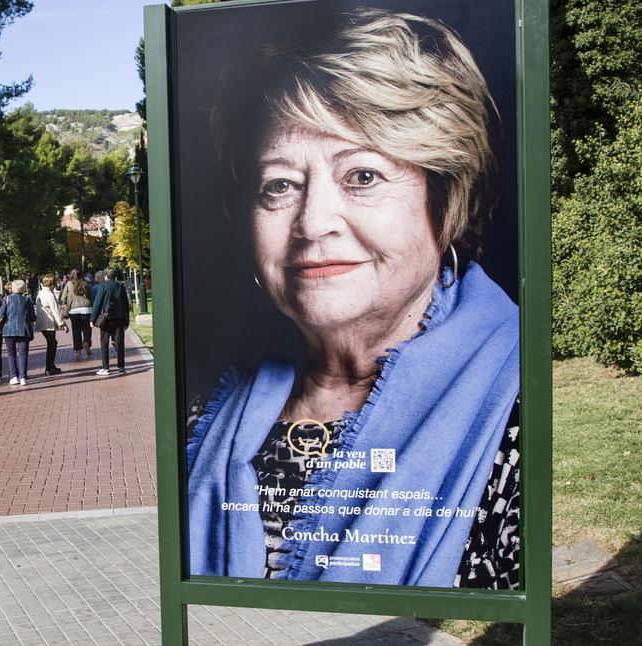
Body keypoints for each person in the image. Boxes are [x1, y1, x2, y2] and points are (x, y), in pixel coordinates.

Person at [186, 9, 519, 590]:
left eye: (362, 176)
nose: (313, 223)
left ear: (445, 196)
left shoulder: (522, 406)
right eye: (279, 185)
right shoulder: (206, 409)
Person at [90, 269, 130, 376]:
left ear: (106, 276)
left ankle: (105, 367)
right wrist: (127, 321)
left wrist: (92, 319)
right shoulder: (120, 287)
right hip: (120, 318)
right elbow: (126, 304)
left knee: (104, 342)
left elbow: (98, 302)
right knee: (120, 342)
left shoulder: (103, 286)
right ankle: (121, 367)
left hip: (107, 318)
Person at [0, 278, 35, 386]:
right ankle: (23, 377)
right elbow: (32, 317)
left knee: (11, 354)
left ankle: (14, 376)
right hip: (23, 329)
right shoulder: (27, 300)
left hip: (9, 329)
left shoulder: (6, 299)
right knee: (23, 354)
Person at [34, 273, 67, 376]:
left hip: (42, 323)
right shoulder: (50, 295)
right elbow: (55, 310)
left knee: (52, 343)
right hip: (49, 324)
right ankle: (50, 367)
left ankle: (51, 366)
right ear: (52, 284)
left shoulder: (40, 294)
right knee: (52, 344)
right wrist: (63, 324)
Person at [60, 270, 93, 358]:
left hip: (73, 309)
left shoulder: (69, 284)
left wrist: (64, 304)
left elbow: (63, 297)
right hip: (86, 308)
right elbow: (91, 295)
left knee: (76, 330)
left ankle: (77, 350)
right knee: (87, 329)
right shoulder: (86, 283)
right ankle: (86, 342)